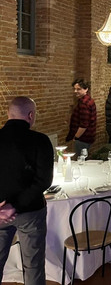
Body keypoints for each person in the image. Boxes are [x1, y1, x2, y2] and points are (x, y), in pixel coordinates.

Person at [0, 96, 54, 285]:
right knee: (33, 266)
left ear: (8, 113)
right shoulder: (40, 140)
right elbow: (43, 181)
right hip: (31, 211)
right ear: (31, 115)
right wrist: (15, 205)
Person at [66, 78, 97, 157]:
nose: (75, 91)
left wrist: (76, 137)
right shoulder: (88, 99)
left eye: (78, 89)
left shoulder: (84, 103)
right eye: (74, 89)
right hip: (89, 136)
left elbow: (84, 124)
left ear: (86, 89)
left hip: (83, 138)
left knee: (81, 159)